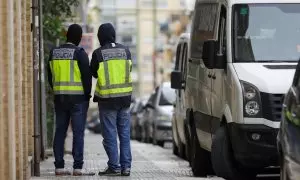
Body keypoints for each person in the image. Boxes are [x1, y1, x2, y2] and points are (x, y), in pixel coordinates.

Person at [47, 24, 94, 176]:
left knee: (60, 131)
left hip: (60, 98)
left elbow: (50, 76)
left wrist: (57, 90)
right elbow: (87, 77)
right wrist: (87, 95)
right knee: (78, 132)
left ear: (67, 35)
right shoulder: (80, 53)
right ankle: (77, 168)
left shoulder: (54, 52)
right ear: (79, 38)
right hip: (77, 99)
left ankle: (59, 167)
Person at [90, 23, 133, 176]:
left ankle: (114, 167)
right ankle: (126, 167)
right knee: (124, 134)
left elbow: (94, 73)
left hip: (107, 100)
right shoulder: (126, 51)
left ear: (100, 37)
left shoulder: (98, 53)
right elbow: (129, 69)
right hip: (125, 100)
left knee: (110, 134)